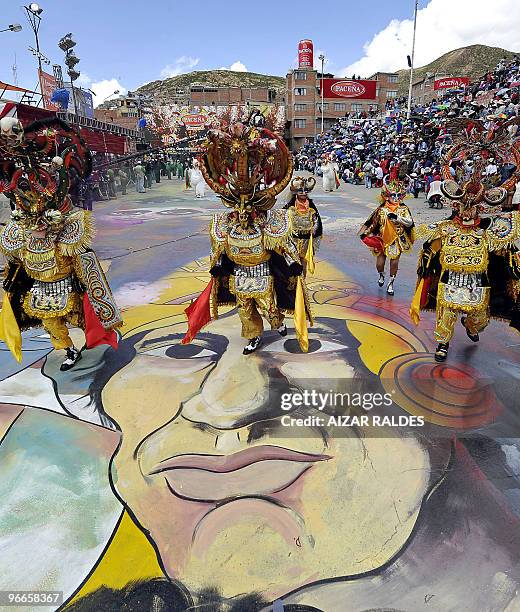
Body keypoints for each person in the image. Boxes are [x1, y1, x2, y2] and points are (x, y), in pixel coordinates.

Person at [0, 116, 122, 370]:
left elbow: (85, 265)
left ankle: (96, 336)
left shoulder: (67, 235)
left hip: (68, 286)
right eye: (33, 223)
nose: (39, 227)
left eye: (43, 222)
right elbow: (15, 267)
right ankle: (68, 350)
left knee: (81, 317)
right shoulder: (20, 237)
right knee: (51, 324)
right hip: (42, 291)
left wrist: (91, 290)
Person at [183, 120, 312, 355]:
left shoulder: (269, 222)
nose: (243, 213)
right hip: (239, 275)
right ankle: (253, 336)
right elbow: (219, 251)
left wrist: (293, 264)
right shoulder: (225, 224)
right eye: (238, 207)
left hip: (261, 272)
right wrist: (218, 265)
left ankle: (278, 322)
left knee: (267, 307)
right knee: (244, 310)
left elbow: (283, 246)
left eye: (248, 207)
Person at [410, 119, 520, 362]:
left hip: (478, 282)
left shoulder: (487, 231)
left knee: (480, 318)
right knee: (446, 312)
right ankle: (442, 344)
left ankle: (471, 327)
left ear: (480, 209)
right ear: (457, 206)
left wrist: (508, 259)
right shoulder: (447, 227)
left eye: (473, 208)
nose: (467, 212)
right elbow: (424, 235)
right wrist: (407, 225)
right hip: (450, 280)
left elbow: (504, 246)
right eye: (463, 207)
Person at [360, 177, 415, 295]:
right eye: (392, 195)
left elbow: (410, 222)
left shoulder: (403, 209)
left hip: (397, 239)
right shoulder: (381, 209)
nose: (395, 198)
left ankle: (391, 283)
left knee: (394, 263)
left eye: (398, 195)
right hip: (382, 239)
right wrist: (366, 233)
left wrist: (398, 218)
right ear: (387, 196)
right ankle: (381, 274)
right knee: (379, 265)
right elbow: (374, 223)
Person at [283, 176, 323, 277]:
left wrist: (314, 229)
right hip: (293, 239)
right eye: (300, 191)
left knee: (304, 262)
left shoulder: (311, 205)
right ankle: (294, 284)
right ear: (296, 192)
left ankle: (303, 284)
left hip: (306, 240)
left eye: (306, 191)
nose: (303, 193)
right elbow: (282, 218)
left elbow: (316, 220)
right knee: (294, 263)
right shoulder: (290, 206)